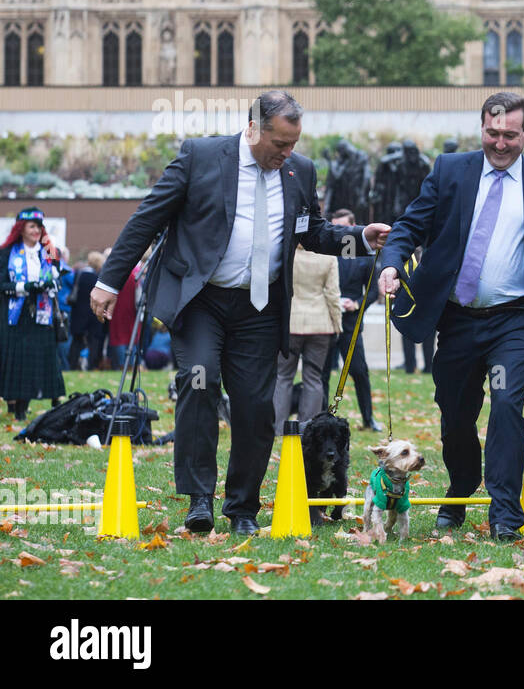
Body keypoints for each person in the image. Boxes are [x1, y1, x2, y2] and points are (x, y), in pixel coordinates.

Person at [90, 91, 390, 536]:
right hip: (201, 300)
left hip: (260, 306)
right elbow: (148, 217)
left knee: (255, 406)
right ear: (253, 128)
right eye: (279, 144)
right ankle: (198, 499)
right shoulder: (201, 156)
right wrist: (109, 280)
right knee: (200, 379)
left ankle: (242, 508)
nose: (287, 154)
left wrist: (360, 239)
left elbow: (315, 235)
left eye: (293, 144)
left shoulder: (300, 171)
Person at [377, 92, 524, 542]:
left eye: (511, 134)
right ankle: (461, 487)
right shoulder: (451, 171)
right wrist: (391, 263)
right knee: (455, 415)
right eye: (493, 133)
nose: (501, 143)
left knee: (506, 404)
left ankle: (505, 511)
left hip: (515, 321)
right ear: (482, 128)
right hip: (458, 319)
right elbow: (411, 225)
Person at [0, 207, 66, 422]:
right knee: (19, 360)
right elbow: (2, 284)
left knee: (40, 359)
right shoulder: (7, 252)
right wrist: (24, 286)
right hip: (16, 316)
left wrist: (50, 283)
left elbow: (60, 278)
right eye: (32, 226)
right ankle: (17, 406)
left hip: (42, 314)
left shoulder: (48, 251)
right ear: (21, 229)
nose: (37, 230)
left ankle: (41, 402)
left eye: (39, 226)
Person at [272, 244, 341, 429]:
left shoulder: (287, 254)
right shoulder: (328, 257)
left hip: (290, 323)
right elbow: (333, 294)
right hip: (320, 324)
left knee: (283, 376)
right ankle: (307, 428)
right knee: (313, 378)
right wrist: (337, 323)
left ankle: (278, 427)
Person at [323, 209, 381, 432]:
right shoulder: (325, 253)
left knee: (359, 371)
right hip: (327, 322)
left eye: (344, 227)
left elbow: (374, 292)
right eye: (335, 227)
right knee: (323, 374)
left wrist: (356, 304)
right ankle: (322, 418)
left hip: (351, 325)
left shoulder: (365, 257)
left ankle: (368, 419)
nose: (340, 232)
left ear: (354, 227)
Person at [67, 250, 106, 371]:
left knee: (76, 341)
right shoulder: (98, 278)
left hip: (78, 313)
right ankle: (91, 366)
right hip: (92, 313)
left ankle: (72, 365)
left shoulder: (79, 274)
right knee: (93, 342)